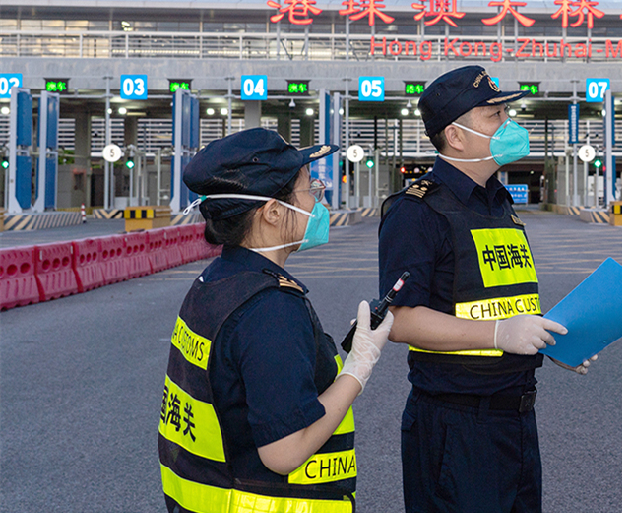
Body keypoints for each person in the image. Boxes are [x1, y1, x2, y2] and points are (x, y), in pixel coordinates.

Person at [378, 65, 593, 513]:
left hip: (515, 419)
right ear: (455, 137)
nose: (508, 124)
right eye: (493, 115)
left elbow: (504, 302)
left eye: (506, 112)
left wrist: (547, 337)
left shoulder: (501, 205)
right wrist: (499, 334)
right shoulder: (417, 212)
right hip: (455, 427)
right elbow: (400, 319)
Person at [159, 128, 393, 513]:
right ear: (272, 212)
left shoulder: (215, 283)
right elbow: (284, 451)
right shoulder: (270, 308)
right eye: (311, 192)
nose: (320, 202)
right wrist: (358, 369)